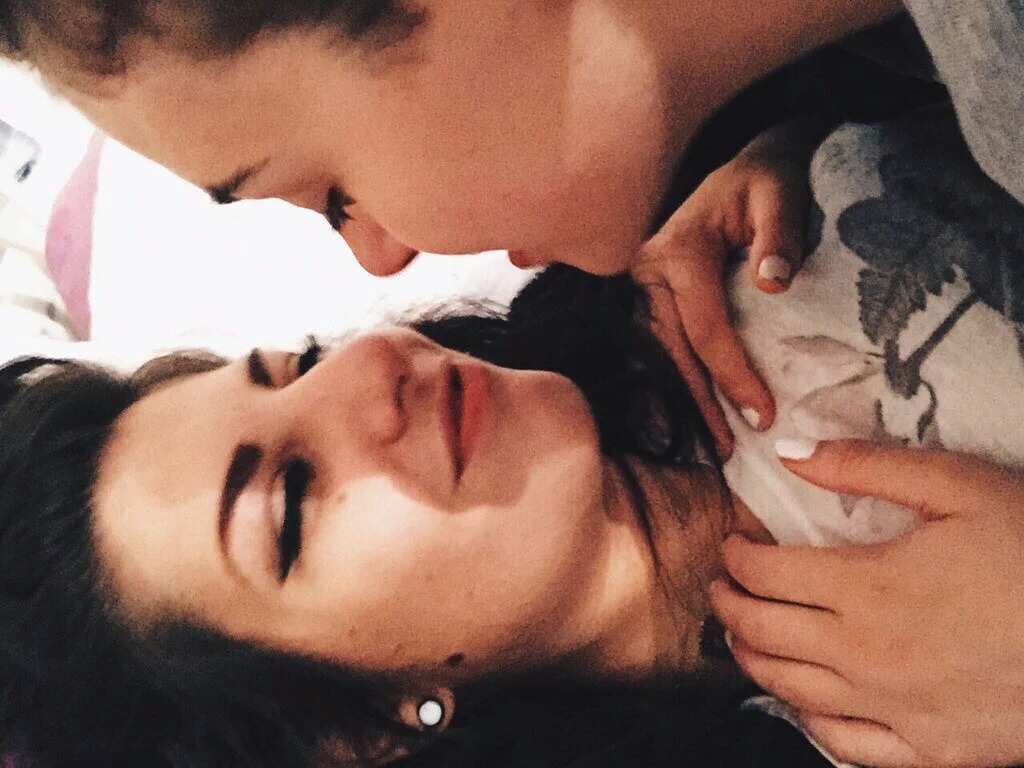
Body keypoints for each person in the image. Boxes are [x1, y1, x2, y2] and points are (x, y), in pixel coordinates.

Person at [2, 1, 1023, 762]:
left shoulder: (690, 234)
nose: (368, 365)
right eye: (295, 501)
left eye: (301, 365)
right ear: (356, 735)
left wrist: (822, 131)